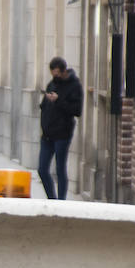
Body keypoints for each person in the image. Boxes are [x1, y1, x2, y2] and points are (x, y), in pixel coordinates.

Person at [36, 56, 83, 200]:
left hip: (62, 134)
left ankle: (61, 201)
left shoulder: (74, 86)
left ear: (63, 72)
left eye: (57, 74)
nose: (54, 77)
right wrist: (46, 102)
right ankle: (52, 198)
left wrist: (59, 101)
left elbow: (76, 110)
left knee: (60, 169)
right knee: (42, 169)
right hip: (47, 134)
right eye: (52, 74)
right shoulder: (52, 84)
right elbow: (45, 105)